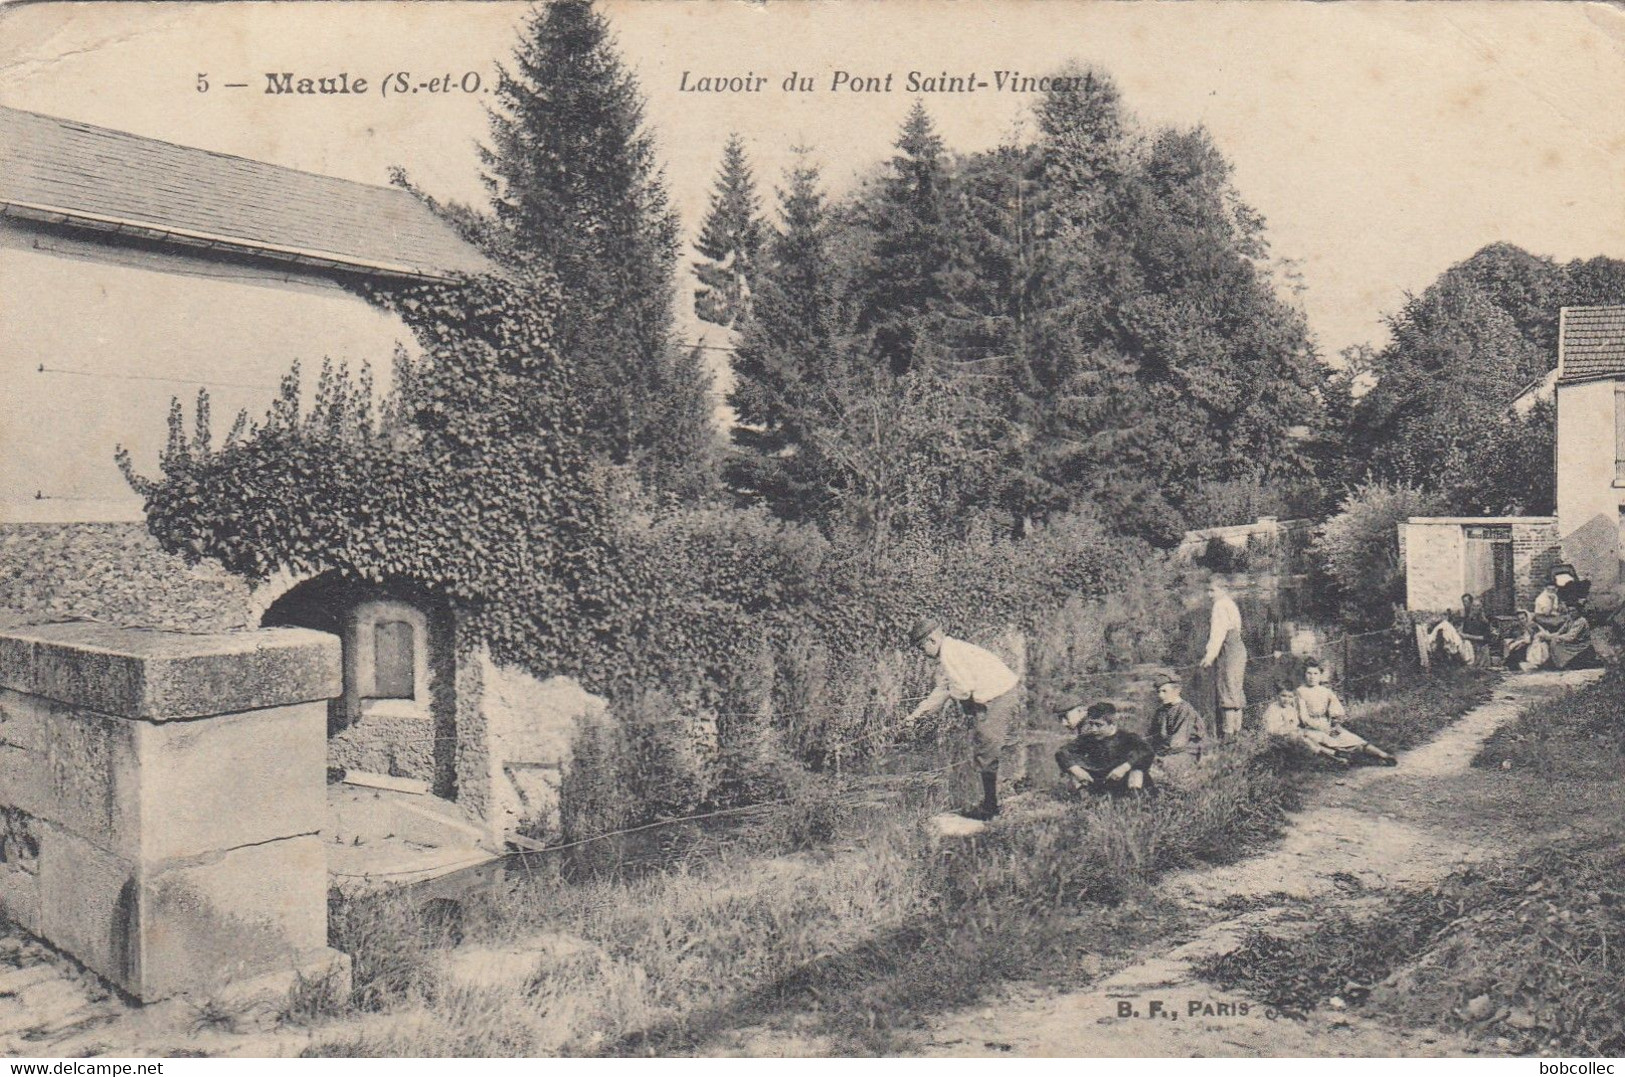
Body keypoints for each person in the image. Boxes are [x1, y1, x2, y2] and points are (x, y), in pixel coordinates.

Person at [903, 617, 1021, 820]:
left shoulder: (950, 654)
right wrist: (915, 716)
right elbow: (942, 691)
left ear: (931, 640)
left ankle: (990, 808)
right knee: (984, 746)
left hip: (999, 695)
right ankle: (990, 803)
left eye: (922, 649)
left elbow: (962, 690)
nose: (923, 654)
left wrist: (968, 711)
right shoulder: (951, 651)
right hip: (996, 695)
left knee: (986, 746)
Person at [1296, 659, 1397, 766]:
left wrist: (1335, 724)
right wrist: (1320, 727)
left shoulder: (1325, 691)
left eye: (1315, 673)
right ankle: (1342, 759)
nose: (1312, 677)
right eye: (1309, 673)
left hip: (1327, 724)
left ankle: (1383, 755)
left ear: (1320, 675)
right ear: (1304, 674)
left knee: (1349, 737)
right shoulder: (1300, 691)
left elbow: (1336, 711)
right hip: (1311, 727)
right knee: (1318, 740)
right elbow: (1304, 718)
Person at [1054, 701, 1156, 797]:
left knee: (1137, 769)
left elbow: (1147, 751)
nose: (1093, 729)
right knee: (1072, 768)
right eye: (1091, 724)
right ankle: (1084, 801)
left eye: (1099, 725)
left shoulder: (1127, 737)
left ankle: (1135, 800)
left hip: (1123, 780)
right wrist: (1076, 770)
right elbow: (1062, 752)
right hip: (1102, 781)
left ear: (1112, 724)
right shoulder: (1087, 738)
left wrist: (1124, 767)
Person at [1200, 577, 1248, 738]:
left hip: (1229, 650)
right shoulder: (1230, 603)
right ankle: (1237, 734)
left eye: (1212, 590)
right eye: (1208, 590)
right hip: (1238, 649)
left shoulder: (1220, 605)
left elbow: (1218, 634)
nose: (1209, 594)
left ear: (1223, 589)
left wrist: (1209, 656)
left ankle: (1228, 737)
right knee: (1235, 690)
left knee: (1227, 691)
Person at [1260, 682, 1346, 764]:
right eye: (1283, 696)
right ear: (1277, 696)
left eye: (1290, 697)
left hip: (1294, 732)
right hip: (1279, 738)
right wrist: (1289, 729)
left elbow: (1295, 722)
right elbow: (1271, 730)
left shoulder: (1290, 708)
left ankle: (1339, 750)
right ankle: (1334, 758)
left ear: (1293, 698)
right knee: (1306, 741)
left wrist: (1297, 729)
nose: (1286, 699)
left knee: (1317, 735)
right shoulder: (1273, 709)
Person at [1148, 669, 1206, 785]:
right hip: (1165, 751)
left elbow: (1179, 741)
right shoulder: (1161, 711)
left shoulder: (1184, 710)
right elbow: (1152, 736)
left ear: (1177, 690)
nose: (1160, 695)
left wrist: (1157, 755)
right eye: (1158, 691)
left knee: (1155, 768)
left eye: (1164, 691)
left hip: (1185, 753)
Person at [1534, 601, 1601, 671]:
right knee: (1553, 641)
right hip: (1573, 643)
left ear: (1579, 611)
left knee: (1556, 643)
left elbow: (1571, 637)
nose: (1571, 613)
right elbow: (1559, 632)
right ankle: (1556, 662)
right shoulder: (1570, 620)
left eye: (1573, 611)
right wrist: (1547, 636)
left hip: (1581, 645)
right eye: (1569, 611)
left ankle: (1562, 664)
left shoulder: (1581, 621)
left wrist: (1555, 638)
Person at [1459, 594, 1495, 665]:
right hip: (1471, 649)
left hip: (1482, 650)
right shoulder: (1468, 621)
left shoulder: (1484, 622)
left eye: (1478, 606)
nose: (1475, 608)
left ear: (1481, 608)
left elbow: (1486, 638)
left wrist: (1468, 636)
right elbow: (1464, 634)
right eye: (1474, 606)